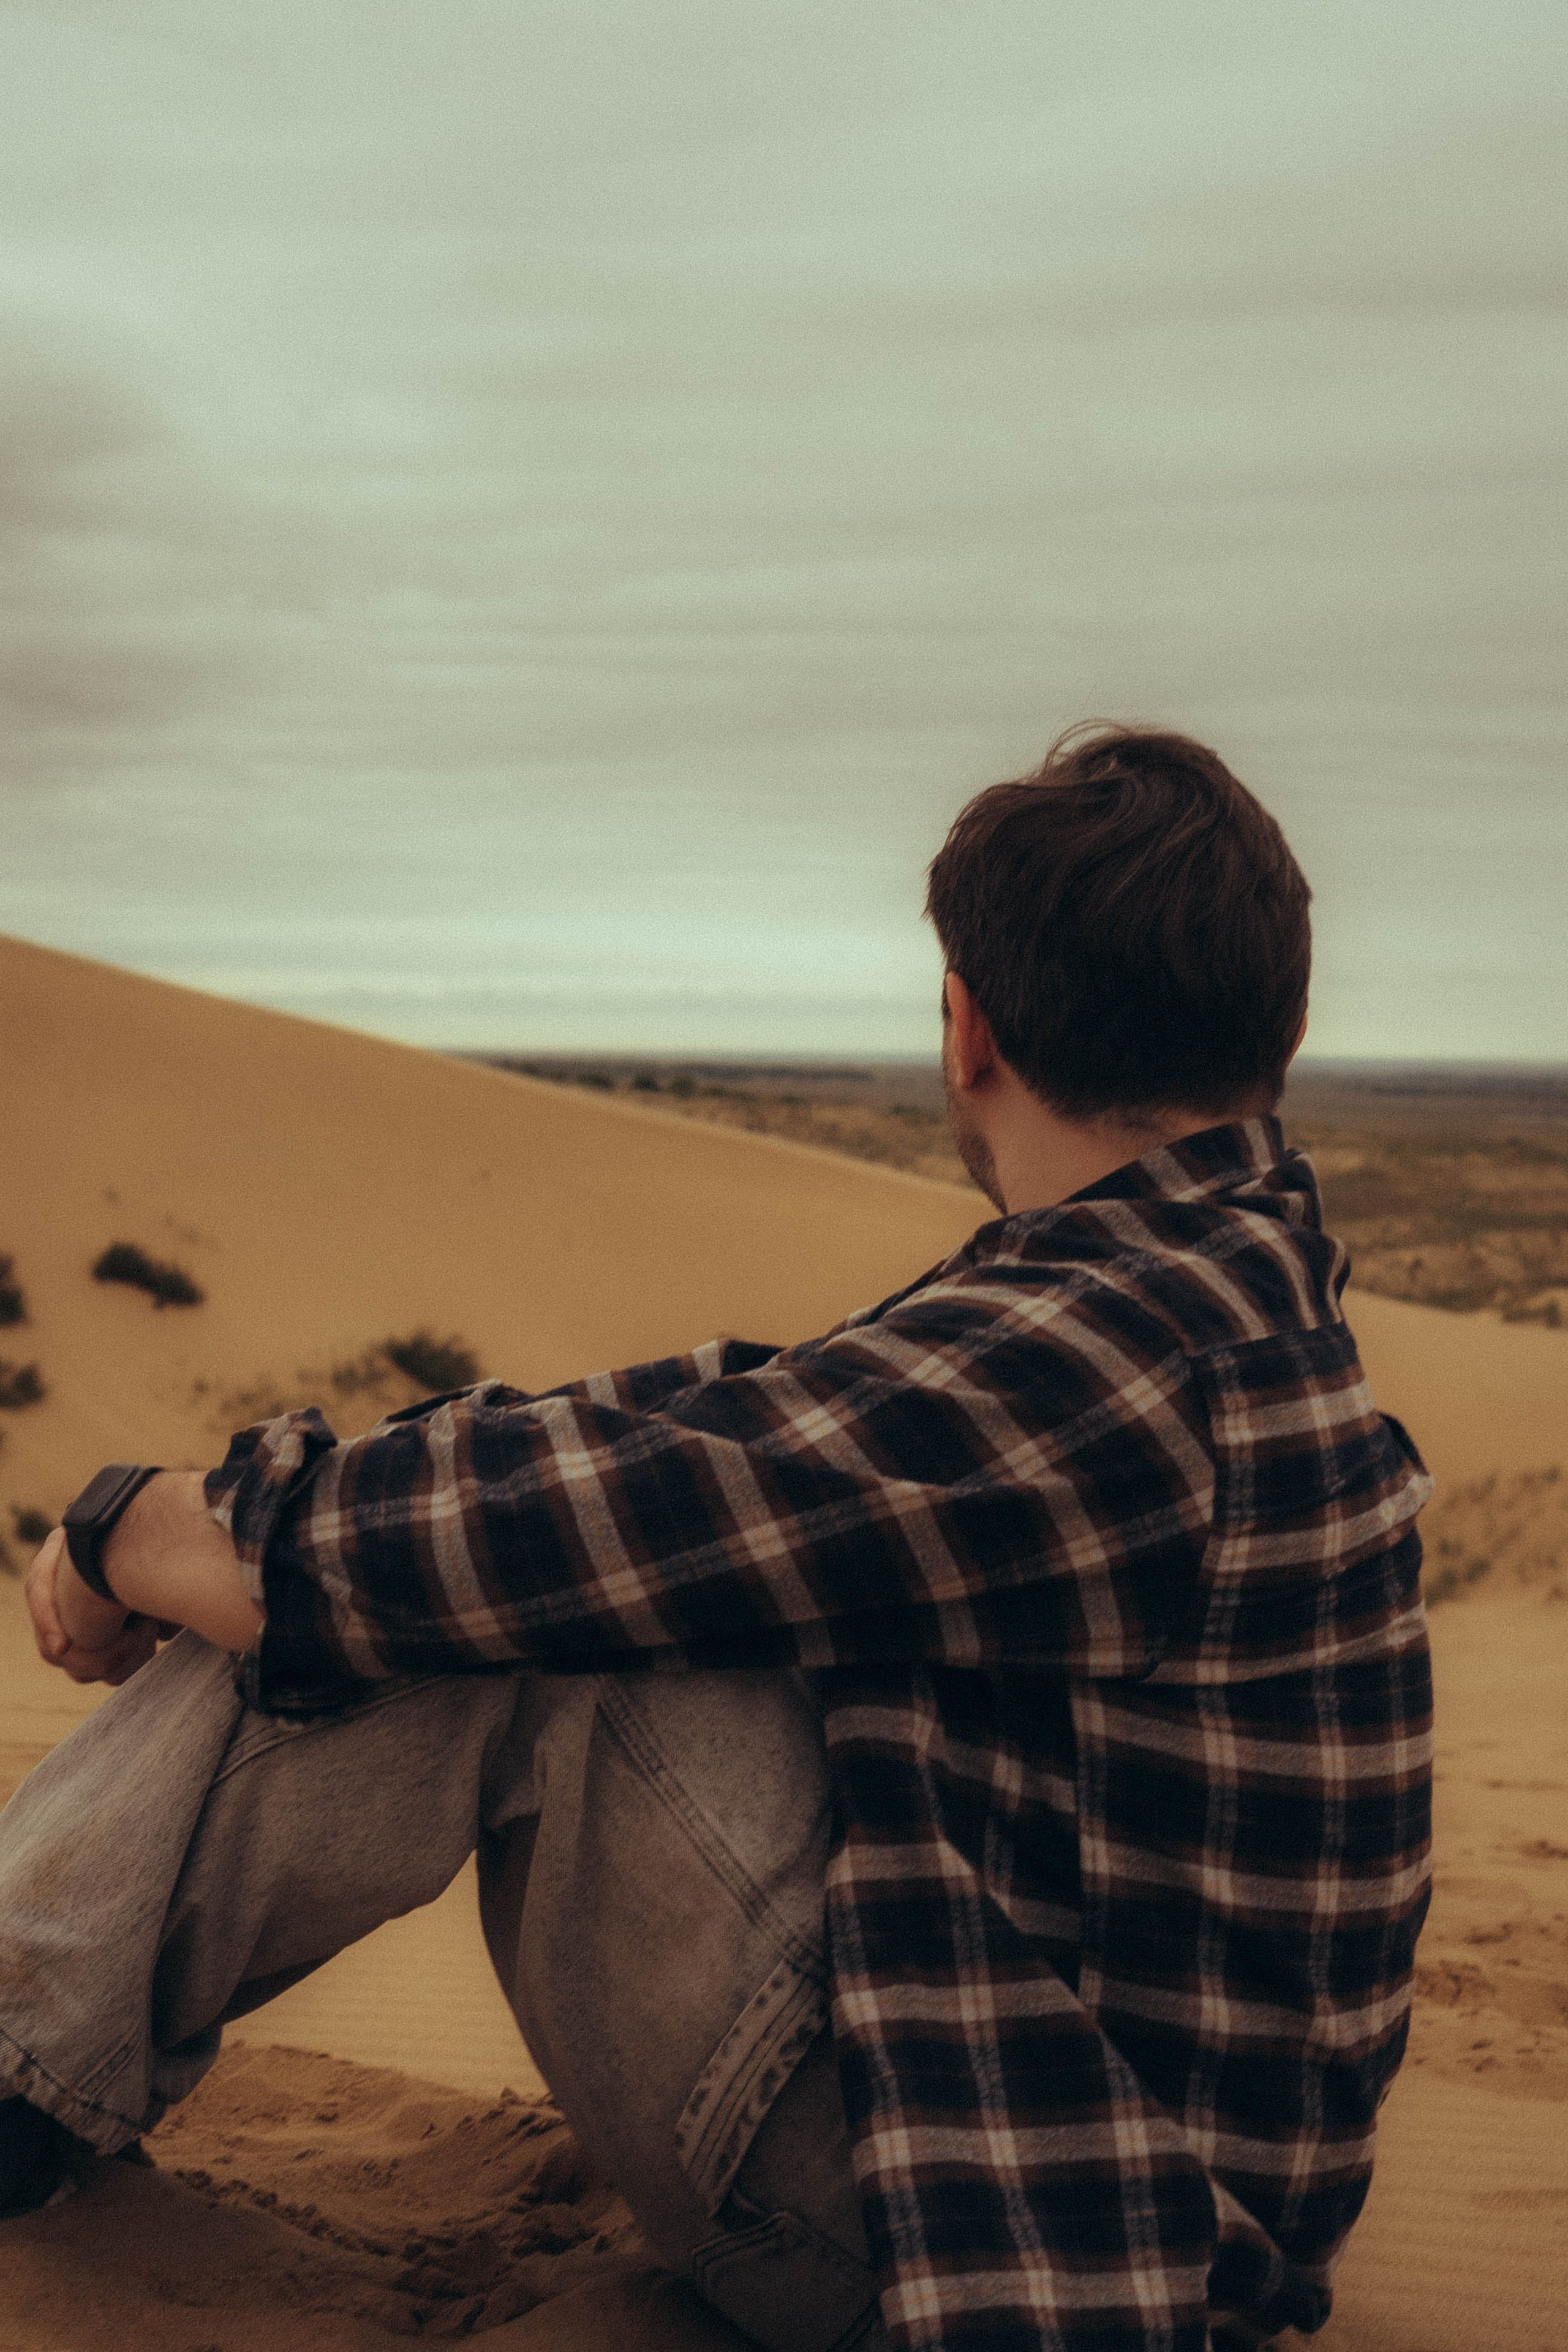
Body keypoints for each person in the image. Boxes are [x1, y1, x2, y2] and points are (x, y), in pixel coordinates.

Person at [1, 725, 1433, 2352]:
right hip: (1079, 2180)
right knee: (482, 1545)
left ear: (968, 1025)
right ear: (1283, 1030)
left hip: (1025, 2247)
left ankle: (15, 2064)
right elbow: (723, 1431)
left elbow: (559, 1530)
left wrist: (140, 1536)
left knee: (486, 1599)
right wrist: (219, 1516)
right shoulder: (1202, 1291)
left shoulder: (1129, 1355)